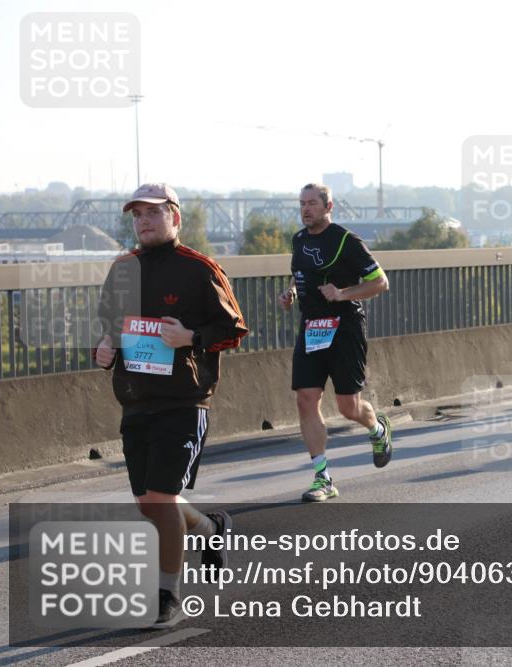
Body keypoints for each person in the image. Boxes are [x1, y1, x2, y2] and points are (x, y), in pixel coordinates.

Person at [94, 183, 248, 628]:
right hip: (135, 400)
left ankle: (167, 595)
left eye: (154, 213)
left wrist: (191, 337)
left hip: (184, 402)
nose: (144, 221)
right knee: (150, 504)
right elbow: (107, 327)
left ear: (174, 218)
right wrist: (103, 350)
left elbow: (233, 328)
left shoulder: (200, 269)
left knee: (160, 498)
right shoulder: (123, 268)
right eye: (137, 215)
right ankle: (210, 529)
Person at [278, 183, 391, 503]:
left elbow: (380, 282)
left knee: (348, 406)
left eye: (312, 203)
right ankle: (322, 477)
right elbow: (301, 274)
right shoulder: (299, 239)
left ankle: (378, 429)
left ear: (329, 207)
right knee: (305, 398)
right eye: (301, 203)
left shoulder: (346, 240)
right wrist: (292, 294)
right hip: (312, 327)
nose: (305, 209)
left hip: (345, 328)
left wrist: (342, 294)